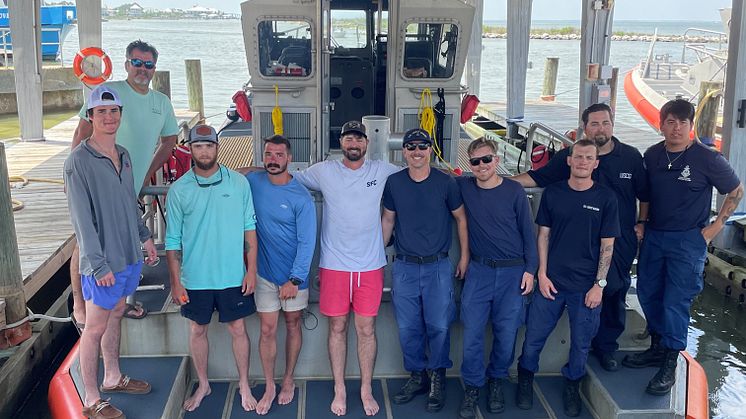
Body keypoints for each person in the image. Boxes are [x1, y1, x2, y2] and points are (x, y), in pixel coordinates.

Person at [512, 103, 649, 371]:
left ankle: (607, 347)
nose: (601, 128)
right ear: (584, 127)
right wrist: (498, 180)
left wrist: (642, 222)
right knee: (588, 296)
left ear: (613, 124)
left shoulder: (631, 156)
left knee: (614, 290)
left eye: (605, 123)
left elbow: (644, 194)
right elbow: (537, 177)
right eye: (594, 124)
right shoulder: (573, 156)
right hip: (580, 241)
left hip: (618, 240)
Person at [626, 99, 742, 395]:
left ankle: (670, 361)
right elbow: (646, 195)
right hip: (654, 235)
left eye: (682, 123)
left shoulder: (708, 158)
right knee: (649, 292)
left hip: (688, 241)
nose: (675, 128)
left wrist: (714, 229)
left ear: (691, 126)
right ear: (661, 124)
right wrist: (642, 221)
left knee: (675, 301)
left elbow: (735, 190)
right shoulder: (652, 155)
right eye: (670, 122)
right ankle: (656, 346)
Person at [291, 120, 401, 416]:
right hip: (335, 265)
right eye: (348, 139)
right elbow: (287, 177)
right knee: (337, 327)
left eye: (359, 139)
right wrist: (249, 174)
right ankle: (339, 387)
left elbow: (417, 174)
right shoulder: (324, 171)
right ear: (341, 143)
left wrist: (460, 178)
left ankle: (365, 388)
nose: (353, 144)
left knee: (366, 329)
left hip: (370, 266)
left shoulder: (382, 170)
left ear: (367, 144)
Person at [70, 39, 179, 328]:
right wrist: (74, 176)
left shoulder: (162, 102)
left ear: (155, 68)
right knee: (84, 240)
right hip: (95, 180)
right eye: (137, 63)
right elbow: (82, 131)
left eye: (149, 64)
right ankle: (80, 304)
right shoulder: (109, 92)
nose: (143, 69)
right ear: (126, 63)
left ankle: (122, 302)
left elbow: (170, 141)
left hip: (128, 183)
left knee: (126, 237)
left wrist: (143, 175)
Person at [64, 85, 158, 419]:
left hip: (129, 257)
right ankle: (91, 398)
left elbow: (128, 204)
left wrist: (145, 236)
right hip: (103, 264)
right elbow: (81, 221)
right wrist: (98, 265)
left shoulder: (125, 156)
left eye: (114, 111)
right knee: (95, 326)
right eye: (101, 112)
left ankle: (114, 376)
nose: (108, 117)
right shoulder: (78, 162)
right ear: (90, 117)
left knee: (118, 312)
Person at [515, 139, 619, 417]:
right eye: (578, 156)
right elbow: (543, 236)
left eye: (589, 157)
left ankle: (572, 383)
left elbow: (607, 245)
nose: (583, 161)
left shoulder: (606, 198)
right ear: (569, 161)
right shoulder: (553, 193)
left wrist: (599, 285)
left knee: (581, 343)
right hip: (551, 283)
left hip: (586, 288)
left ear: (596, 164)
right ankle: (525, 379)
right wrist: (542, 274)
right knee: (534, 336)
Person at [165, 125, 259, 412]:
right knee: (197, 330)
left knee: (238, 328)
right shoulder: (179, 189)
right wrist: (176, 282)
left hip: (232, 274)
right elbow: (172, 241)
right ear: (190, 149)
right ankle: (203, 383)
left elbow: (249, 230)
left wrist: (251, 270)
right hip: (195, 278)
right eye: (198, 146)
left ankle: (244, 383)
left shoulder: (238, 183)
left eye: (209, 146)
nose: (204, 151)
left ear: (218, 147)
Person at [381, 128, 469, 413]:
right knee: (408, 328)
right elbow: (388, 221)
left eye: (422, 146)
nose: (416, 152)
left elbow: (461, 219)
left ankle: (438, 378)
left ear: (431, 150)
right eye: (411, 147)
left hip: (438, 267)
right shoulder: (394, 182)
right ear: (403, 152)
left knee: (440, 326)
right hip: (405, 266)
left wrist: (464, 256)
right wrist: (374, 256)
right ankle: (417, 375)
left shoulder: (447, 183)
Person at [455, 137, 538, 419]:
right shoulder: (464, 187)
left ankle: (496, 380)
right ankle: (473, 386)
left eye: (486, 159)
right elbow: (439, 177)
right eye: (475, 161)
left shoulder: (514, 191)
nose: (482, 166)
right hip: (479, 271)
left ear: (497, 160)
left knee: (507, 333)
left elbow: (529, 233)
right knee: (472, 334)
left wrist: (531, 270)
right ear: (470, 164)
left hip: (513, 272)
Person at [247, 135, 317, 415]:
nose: (273, 159)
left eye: (279, 155)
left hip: (293, 277)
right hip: (264, 273)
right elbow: (233, 174)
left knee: (292, 324)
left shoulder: (301, 196)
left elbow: (307, 242)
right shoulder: (254, 181)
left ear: (289, 159)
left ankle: (288, 379)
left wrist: (295, 280)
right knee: (266, 330)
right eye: (269, 154)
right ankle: (269, 385)